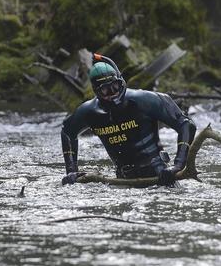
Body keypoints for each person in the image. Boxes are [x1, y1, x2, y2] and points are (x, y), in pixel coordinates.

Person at [60, 55, 196, 187]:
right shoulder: (89, 111)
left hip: (160, 176)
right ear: (96, 91)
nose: (113, 93)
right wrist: (72, 171)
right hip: (123, 181)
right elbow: (67, 132)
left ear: (121, 82)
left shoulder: (145, 100)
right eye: (106, 90)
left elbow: (186, 124)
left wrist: (178, 165)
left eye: (115, 86)